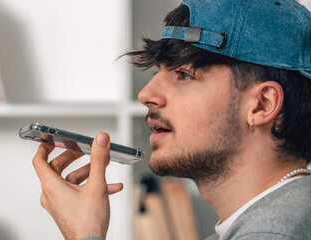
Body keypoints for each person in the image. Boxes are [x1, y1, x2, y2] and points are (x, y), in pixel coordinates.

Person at [31, 0, 311, 239]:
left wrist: (84, 233)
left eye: (184, 74)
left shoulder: (273, 232)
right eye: (158, 71)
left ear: (262, 105)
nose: (146, 94)